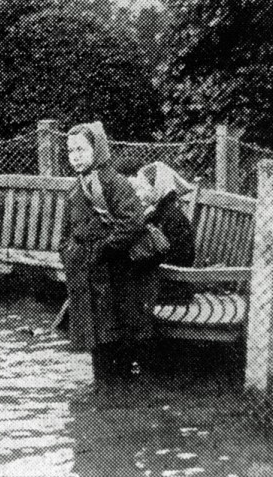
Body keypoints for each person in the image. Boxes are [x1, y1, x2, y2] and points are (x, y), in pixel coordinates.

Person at [60, 122, 155, 382]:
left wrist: (103, 250)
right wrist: (68, 252)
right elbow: (67, 230)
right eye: (70, 151)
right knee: (96, 340)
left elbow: (132, 223)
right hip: (86, 275)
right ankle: (103, 395)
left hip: (114, 275)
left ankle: (118, 396)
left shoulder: (115, 183)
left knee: (115, 338)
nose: (75, 156)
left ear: (97, 149)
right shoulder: (77, 187)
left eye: (81, 149)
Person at [130, 161, 197, 268]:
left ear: (158, 187)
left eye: (143, 188)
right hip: (162, 267)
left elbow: (181, 257)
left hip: (174, 273)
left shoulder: (172, 216)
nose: (138, 194)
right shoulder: (158, 210)